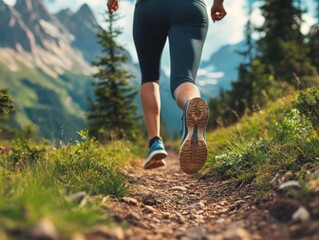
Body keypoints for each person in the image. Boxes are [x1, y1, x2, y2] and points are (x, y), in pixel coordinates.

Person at [107, 0, 226, 174]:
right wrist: (218, 4)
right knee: (183, 79)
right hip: (189, 7)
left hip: (150, 8)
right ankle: (191, 104)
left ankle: (154, 141)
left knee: (149, 77)